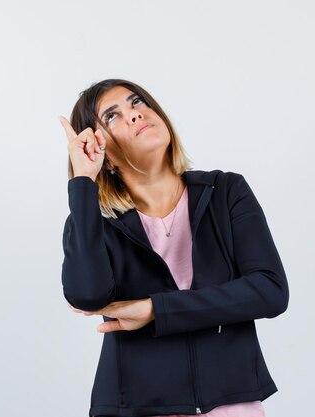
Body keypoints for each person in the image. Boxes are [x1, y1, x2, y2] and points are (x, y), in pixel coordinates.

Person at [59, 79, 289, 417]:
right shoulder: (95, 221)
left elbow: (270, 291)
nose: (134, 115)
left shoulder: (225, 191)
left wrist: (156, 310)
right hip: (137, 407)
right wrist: (82, 183)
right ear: (101, 151)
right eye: (112, 116)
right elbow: (87, 295)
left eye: (137, 102)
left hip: (231, 405)